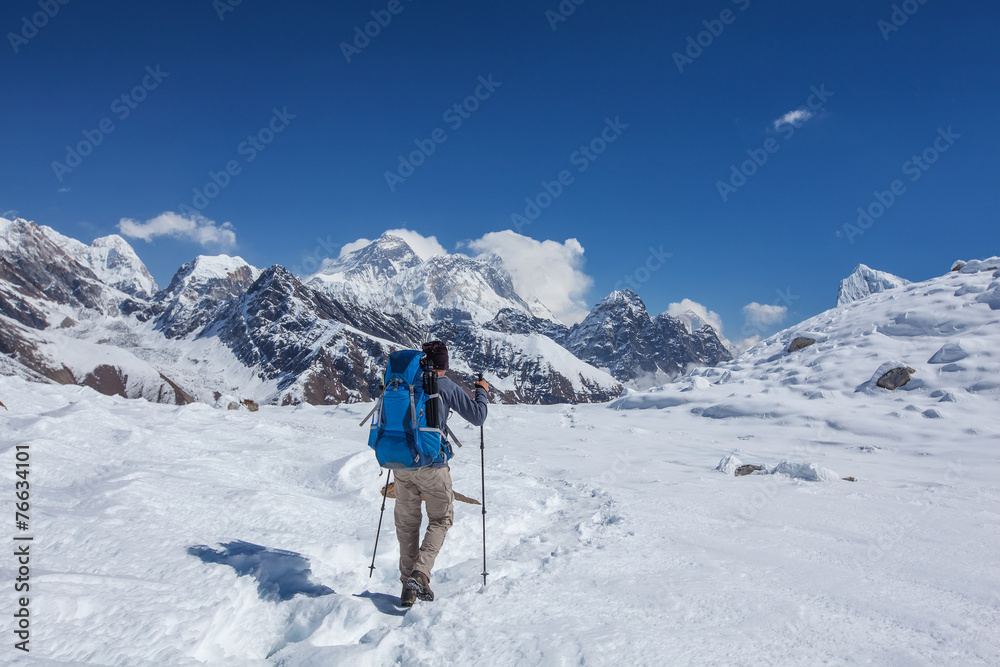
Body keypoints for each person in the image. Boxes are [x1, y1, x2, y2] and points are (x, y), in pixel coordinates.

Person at [396, 340, 488, 607]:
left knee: (407, 525)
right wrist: (481, 391)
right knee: (440, 519)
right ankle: (420, 574)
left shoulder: (405, 384)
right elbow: (478, 416)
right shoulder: (445, 385)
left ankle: (407, 586)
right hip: (432, 465)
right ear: (444, 365)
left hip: (402, 466)